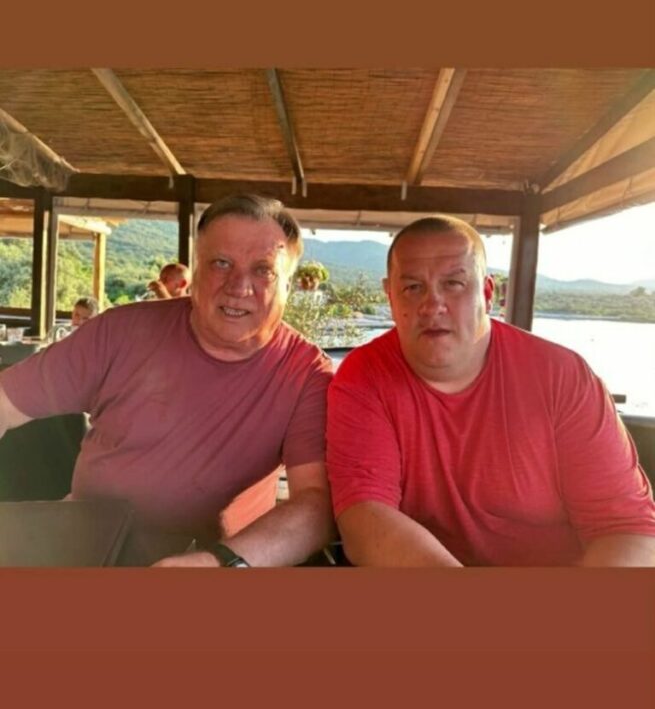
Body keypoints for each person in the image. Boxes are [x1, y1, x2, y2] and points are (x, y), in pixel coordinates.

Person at [0, 194, 334, 567]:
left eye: (263, 270)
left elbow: (316, 505)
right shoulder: (120, 331)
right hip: (85, 548)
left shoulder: (306, 374)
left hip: (218, 564)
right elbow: (4, 402)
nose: (239, 286)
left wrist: (222, 563)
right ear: (195, 271)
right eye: (221, 263)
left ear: (288, 285)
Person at [327, 215, 655, 567]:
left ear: (487, 292)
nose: (432, 305)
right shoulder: (364, 376)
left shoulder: (562, 376)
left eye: (454, 284)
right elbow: (364, 518)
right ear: (390, 296)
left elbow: (627, 530)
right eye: (412, 288)